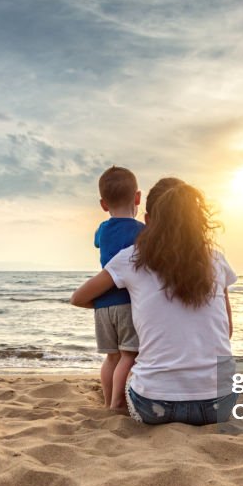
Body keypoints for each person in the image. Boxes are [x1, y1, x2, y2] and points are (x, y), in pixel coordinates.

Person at [71, 179, 237, 425]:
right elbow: (228, 331)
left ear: (147, 221)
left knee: (132, 374)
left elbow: (78, 298)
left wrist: (135, 305)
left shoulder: (131, 258)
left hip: (155, 406)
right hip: (219, 404)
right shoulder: (216, 259)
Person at [91, 166, 146, 411]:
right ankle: (117, 403)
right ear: (138, 198)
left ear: (103, 204)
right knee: (128, 356)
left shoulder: (102, 230)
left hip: (102, 304)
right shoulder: (141, 232)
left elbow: (96, 243)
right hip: (126, 301)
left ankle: (107, 400)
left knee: (111, 357)